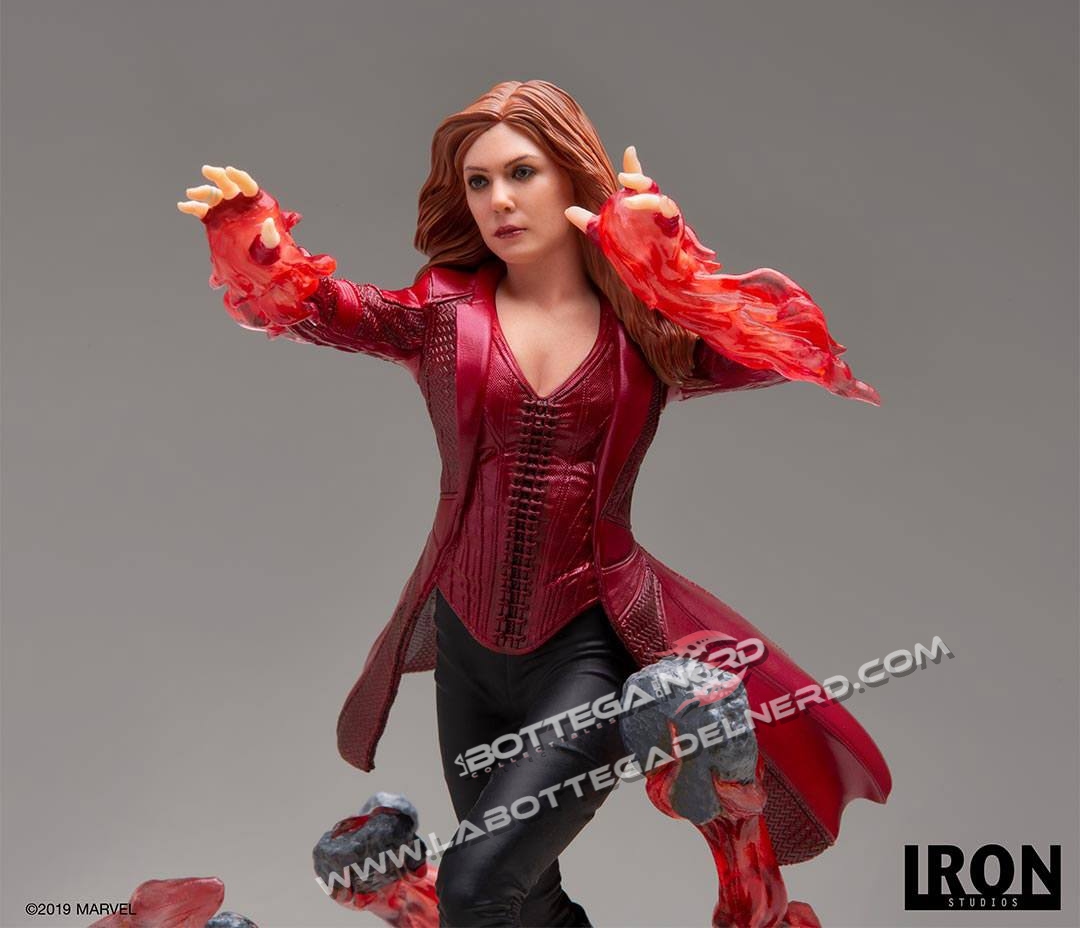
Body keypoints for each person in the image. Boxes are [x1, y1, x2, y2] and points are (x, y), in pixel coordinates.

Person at [178, 80, 890, 927]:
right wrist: (247, 233)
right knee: (526, 904)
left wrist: (666, 263)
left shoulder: (646, 330)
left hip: (588, 649)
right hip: (466, 649)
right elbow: (320, 307)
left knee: (476, 887)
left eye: (521, 172)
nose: (499, 201)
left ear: (572, 178)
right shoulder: (444, 311)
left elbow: (776, 342)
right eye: (479, 181)